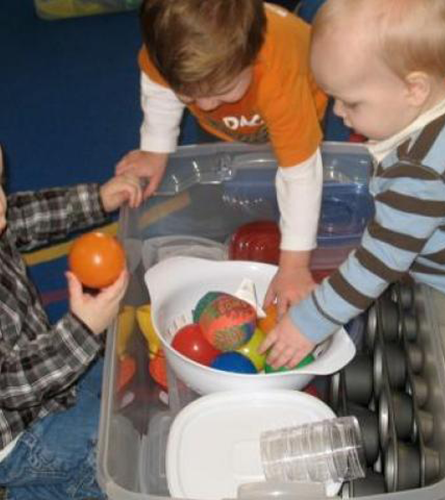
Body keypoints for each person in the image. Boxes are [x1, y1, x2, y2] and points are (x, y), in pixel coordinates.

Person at [0, 95, 142, 499]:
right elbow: (5, 383)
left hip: (34, 379)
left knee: (105, 367)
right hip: (6, 440)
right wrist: (83, 328)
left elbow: (31, 212)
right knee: (104, 446)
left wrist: (98, 199)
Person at [261, 0, 445, 369]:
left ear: (415, 90)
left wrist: (309, 322)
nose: (339, 114)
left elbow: (379, 261)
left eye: (351, 102)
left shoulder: (416, 171)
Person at [116, 0, 329, 314]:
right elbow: (158, 88)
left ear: (252, 59)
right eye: (188, 95)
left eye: (224, 90)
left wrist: (294, 265)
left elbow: (300, 174)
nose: (206, 105)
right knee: (224, 177)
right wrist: (156, 147)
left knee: (291, 181)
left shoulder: (277, 76)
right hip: (230, 129)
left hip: (298, 102)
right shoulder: (167, 55)